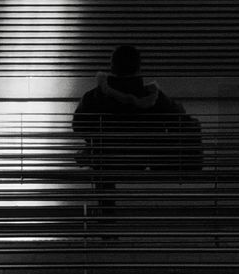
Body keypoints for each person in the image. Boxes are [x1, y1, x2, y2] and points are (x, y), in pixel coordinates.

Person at [72, 46, 202, 202]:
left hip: (107, 163)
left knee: (101, 153)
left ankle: (106, 207)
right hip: (141, 161)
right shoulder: (153, 96)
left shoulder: (95, 96)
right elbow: (181, 121)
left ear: (112, 67)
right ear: (138, 68)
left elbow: (78, 126)